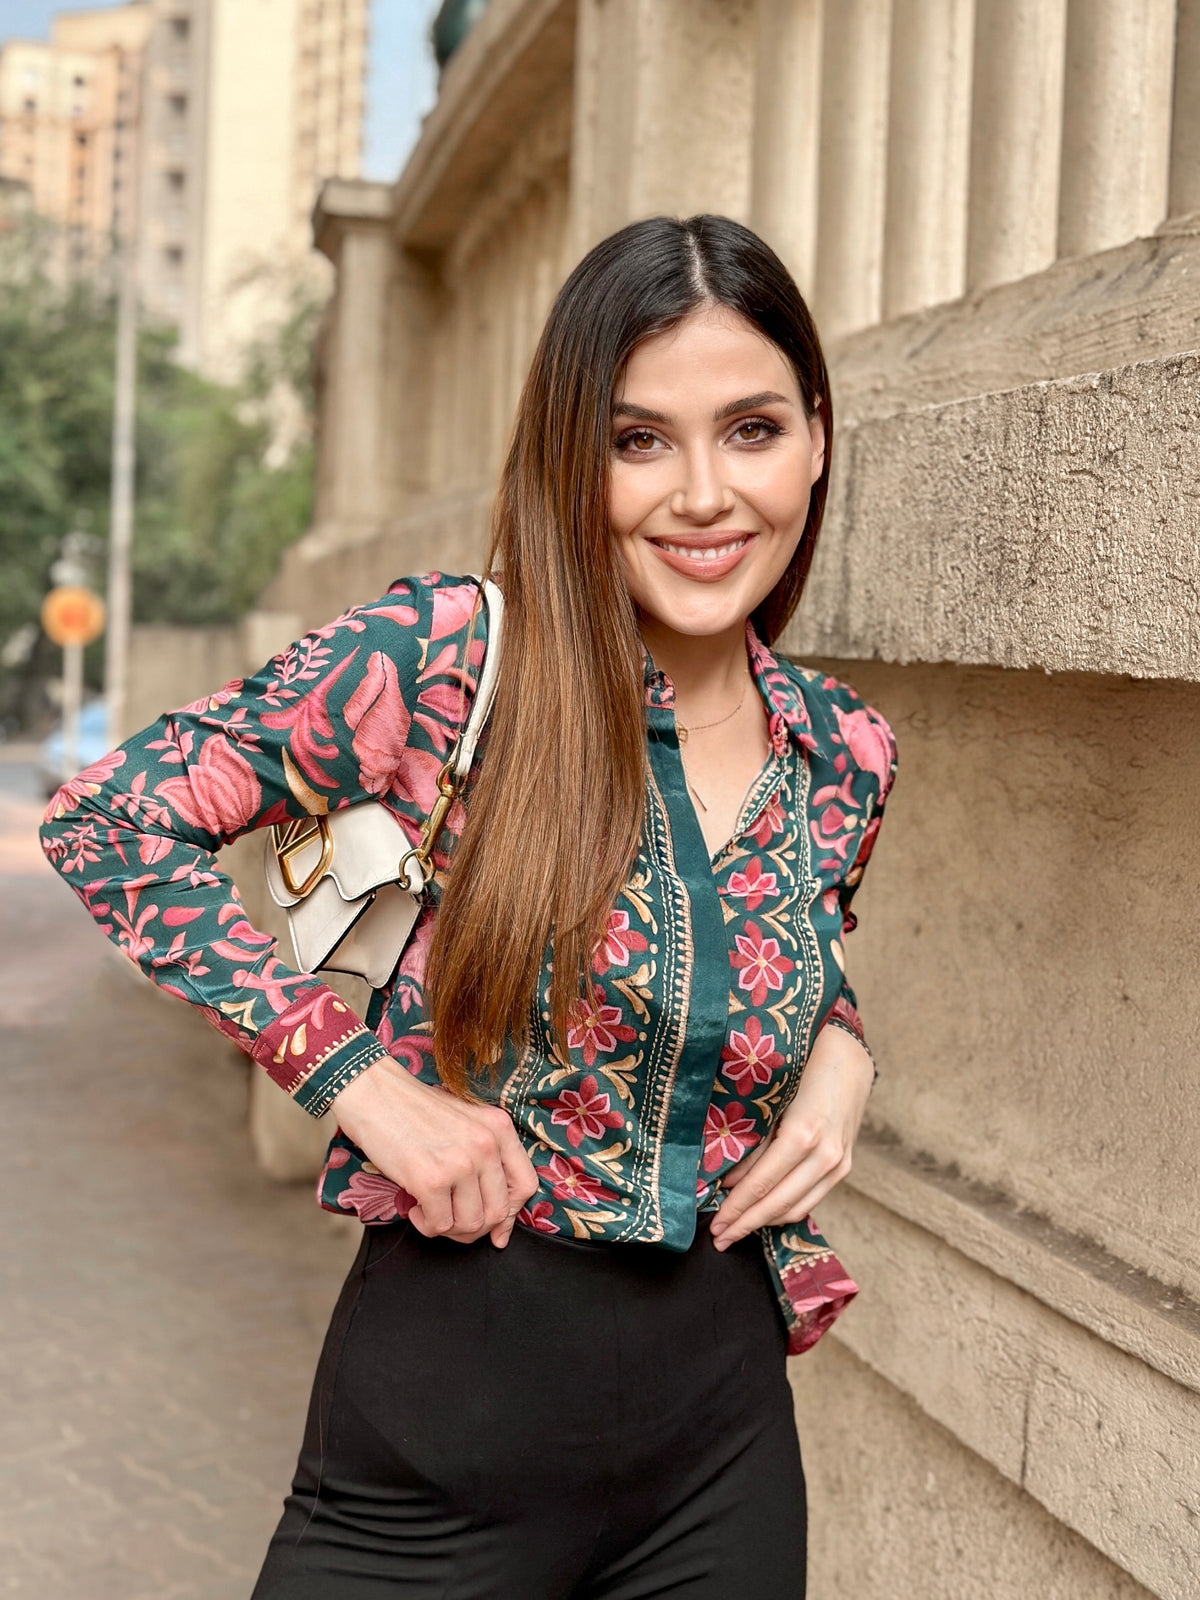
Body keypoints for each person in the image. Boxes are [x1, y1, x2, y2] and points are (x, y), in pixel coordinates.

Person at [40, 214, 897, 1599]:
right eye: (637, 441)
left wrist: (846, 1051)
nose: (701, 494)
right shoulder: (444, 660)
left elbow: (769, 950)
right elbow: (111, 821)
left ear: (815, 437)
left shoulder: (844, 754)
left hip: (720, 1460)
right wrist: (357, 1079)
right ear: (575, 457)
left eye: (750, 430)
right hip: (432, 1458)